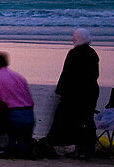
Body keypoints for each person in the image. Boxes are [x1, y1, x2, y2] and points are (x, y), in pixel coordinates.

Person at [41, 28, 100, 159]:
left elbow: (66, 75)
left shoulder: (73, 54)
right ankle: (88, 148)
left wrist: (59, 91)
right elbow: (95, 75)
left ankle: (79, 149)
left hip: (75, 93)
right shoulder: (92, 53)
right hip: (91, 92)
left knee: (77, 121)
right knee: (87, 120)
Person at [0, 51, 34, 155]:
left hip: (13, 116)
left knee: (10, 144)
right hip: (29, 114)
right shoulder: (19, 77)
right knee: (23, 143)